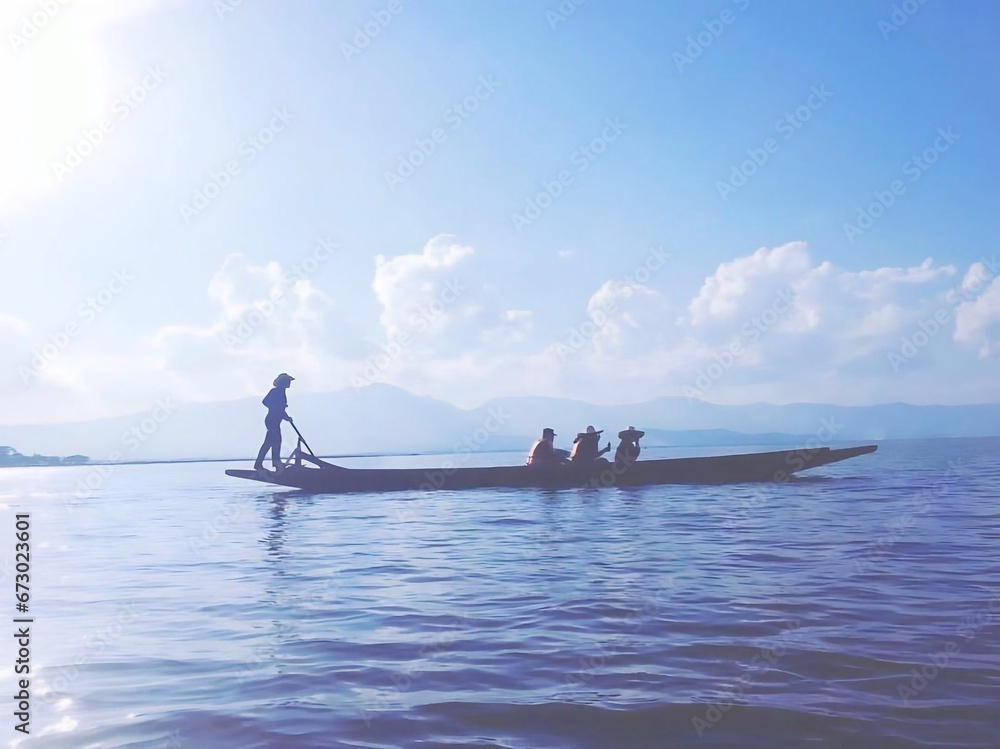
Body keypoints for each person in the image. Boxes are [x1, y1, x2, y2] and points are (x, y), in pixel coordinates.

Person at [254, 373, 295, 473]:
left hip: (276, 420)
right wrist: (274, 407)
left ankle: (276, 463)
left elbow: (281, 409)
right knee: (270, 442)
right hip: (271, 420)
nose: (289, 383)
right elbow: (265, 401)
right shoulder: (275, 391)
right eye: (288, 382)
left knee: (275, 442)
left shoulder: (282, 392)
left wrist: (286, 417)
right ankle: (261, 464)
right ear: (283, 382)